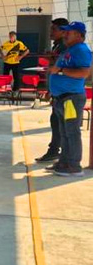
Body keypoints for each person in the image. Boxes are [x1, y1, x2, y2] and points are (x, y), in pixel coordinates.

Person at [45, 21, 90, 177]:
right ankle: (64, 161)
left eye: (68, 32)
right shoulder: (69, 50)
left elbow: (84, 73)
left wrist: (61, 70)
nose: (65, 34)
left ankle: (74, 165)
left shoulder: (81, 50)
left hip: (71, 98)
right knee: (64, 132)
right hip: (61, 98)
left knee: (72, 132)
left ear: (78, 34)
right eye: (64, 31)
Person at [37, 18, 69, 163]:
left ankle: (58, 153)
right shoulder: (57, 45)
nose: (50, 32)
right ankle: (56, 151)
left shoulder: (64, 46)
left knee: (62, 124)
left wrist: (51, 59)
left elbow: (60, 67)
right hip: (57, 91)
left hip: (65, 93)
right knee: (55, 121)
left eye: (53, 29)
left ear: (63, 31)